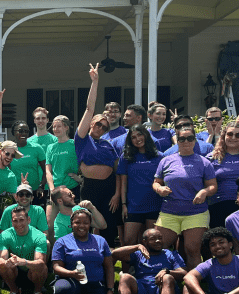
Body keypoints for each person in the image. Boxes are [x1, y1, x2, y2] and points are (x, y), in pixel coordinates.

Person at [153, 125, 218, 269]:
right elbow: (156, 182)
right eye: (182, 139)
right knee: (157, 245)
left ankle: (193, 280)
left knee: (192, 249)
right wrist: (159, 188)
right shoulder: (166, 160)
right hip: (169, 212)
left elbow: (213, 186)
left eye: (190, 138)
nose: (186, 141)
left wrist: (204, 192)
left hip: (195, 212)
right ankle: (159, 277)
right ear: (177, 141)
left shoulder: (204, 162)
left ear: (195, 140)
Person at [75, 64, 120, 247]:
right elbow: (89, 108)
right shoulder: (82, 140)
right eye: (98, 124)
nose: (100, 128)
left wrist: (117, 194)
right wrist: (95, 82)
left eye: (104, 127)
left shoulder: (108, 144)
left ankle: (107, 256)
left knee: (108, 225)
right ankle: (87, 254)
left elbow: (117, 171)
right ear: (91, 123)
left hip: (109, 189)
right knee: (87, 223)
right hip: (90, 188)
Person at [113, 227, 187, 294]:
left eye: (160, 238)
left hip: (163, 291)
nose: (158, 241)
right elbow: (115, 254)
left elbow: (184, 273)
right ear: (145, 242)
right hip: (143, 291)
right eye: (153, 239)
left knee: (167, 277)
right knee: (124, 277)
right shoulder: (138, 254)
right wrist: (137, 247)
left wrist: (167, 271)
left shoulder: (170, 254)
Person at [51, 208, 116, 294]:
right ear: (71, 224)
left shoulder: (100, 241)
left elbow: (109, 267)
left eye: (85, 223)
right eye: (77, 222)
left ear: (90, 224)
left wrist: (110, 290)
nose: (82, 226)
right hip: (72, 282)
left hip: (94, 285)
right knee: (61, 288)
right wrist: (72, 273)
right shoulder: (62, 242)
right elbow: (56, 267)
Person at [115, 124, 163, 248]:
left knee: (151, 243)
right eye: (133, 137)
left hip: (154, 205)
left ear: (146, 135)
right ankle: (130, 263)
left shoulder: (159, 156)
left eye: (140, 135)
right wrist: (124, 205)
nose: (137, 139)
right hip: (133, 206)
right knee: (128, 242)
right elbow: (123, 183)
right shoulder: (126, 157)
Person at [0, 205, 49, 294]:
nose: (18, 224)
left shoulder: (39, 236)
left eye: (21, 220)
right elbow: (0, 258)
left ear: (28, 220)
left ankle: (37, 292)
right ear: (11, 222)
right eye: (15, 221)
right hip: (15, 271)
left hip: (31, 272)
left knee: (42, 267)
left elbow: (41, 262)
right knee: (2, 265)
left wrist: (24, 262)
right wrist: (6, 262)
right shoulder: (5, 235)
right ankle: (14, 291)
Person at [207, 122, 239, 228]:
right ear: (224, 136)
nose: (233, 138)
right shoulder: (212, 157)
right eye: (230, 134)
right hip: (218, 205)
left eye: (238, 135)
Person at [9, 120, 47, 204]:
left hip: (34, 192)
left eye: (26, 131)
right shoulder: (9, 149)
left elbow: (46, 170)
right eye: (20, 131)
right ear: (13, 132)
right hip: (16, 193)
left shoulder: (36, 148)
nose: (24, 134)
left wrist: (41, 186)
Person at [44, 114, 79, 198]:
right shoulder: (50, 147)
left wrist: (80, 179)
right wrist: (52, 190)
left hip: (72, 187)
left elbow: (84, 162)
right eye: (54, 127)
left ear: (66, 127)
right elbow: (48, 171)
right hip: (56, 189)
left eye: (59, 126)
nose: (55, 129)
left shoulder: (74, 144)